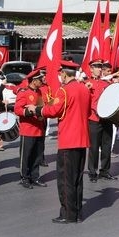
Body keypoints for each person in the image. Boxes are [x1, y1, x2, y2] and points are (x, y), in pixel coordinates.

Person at [31, 59, 91, 223]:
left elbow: (54, 110)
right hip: (82, 139)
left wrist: (37, 109)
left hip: (68, 139)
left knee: (65, 180)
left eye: (60, 74)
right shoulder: (84, 89)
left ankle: (68, 214)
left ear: (64, 74)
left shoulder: (64, 91)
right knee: (77, 179)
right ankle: (77, 212)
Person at [14, 66, 47, 188]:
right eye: (40, 79)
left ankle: (35, 177)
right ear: (34, 80)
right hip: (27, 129)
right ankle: (24, 177)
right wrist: (30, 112)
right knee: (26, 156)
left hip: (39, 128)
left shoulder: (39, 92)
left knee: (37, 156)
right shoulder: (24, 92)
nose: (42, 81)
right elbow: (18, 109)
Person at [85, 59, 117, 182]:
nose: (99, 69)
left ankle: (105, 171)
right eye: (97, 67)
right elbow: (87, 102)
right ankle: (92, 172)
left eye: (100, 67)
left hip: (107, 119)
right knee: (93, 148)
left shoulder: (106, 84)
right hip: (94, 119)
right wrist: (97, 110)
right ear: (91, 69)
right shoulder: (87, 84)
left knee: (107, 146)